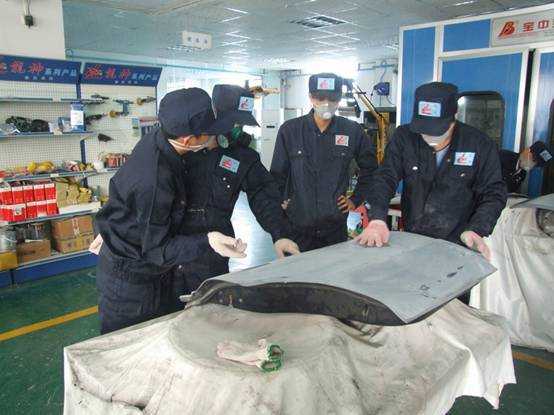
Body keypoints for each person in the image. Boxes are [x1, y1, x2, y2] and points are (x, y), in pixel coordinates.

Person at [94, 88, 247, 334]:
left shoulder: (159, 138)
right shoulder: (156, 179)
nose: (213, 137)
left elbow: (123, 192)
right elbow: (156, 250)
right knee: (133, 344)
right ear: (187, 140)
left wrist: (113, 225)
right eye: (208, 133)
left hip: (148, 267)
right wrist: (208, 241)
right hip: (132, 284)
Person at [356, 82, 507, 266]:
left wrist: (477, 228)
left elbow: (493, 192)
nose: (430, 138)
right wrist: (377, 218)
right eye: (424, 131)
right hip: (413, 240)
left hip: (458, 243)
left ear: (454, 117)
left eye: (438, 131)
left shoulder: (478, 144)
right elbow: (385, 177)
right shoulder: (405, 137)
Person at [174, 84, 299, 293]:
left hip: (213, 254)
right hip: (172, 253)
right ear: (213, 114)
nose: (236, 127)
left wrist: (280, 234)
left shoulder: (242, 157)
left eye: (241, 122)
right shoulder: (183, 148)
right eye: (232, 121)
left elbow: (263, 196)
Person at [270, 73, 378, 252]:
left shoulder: (352, 131)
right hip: (297, 228)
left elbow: (371, 169)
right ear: (310, 97)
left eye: (332, 98)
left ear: (340, 98)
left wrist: (355, 199)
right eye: (320, 98)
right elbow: (277, 176)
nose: (326, 103)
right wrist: (280, 203)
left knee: (333, 270)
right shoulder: (290, 131)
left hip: (334, 230)